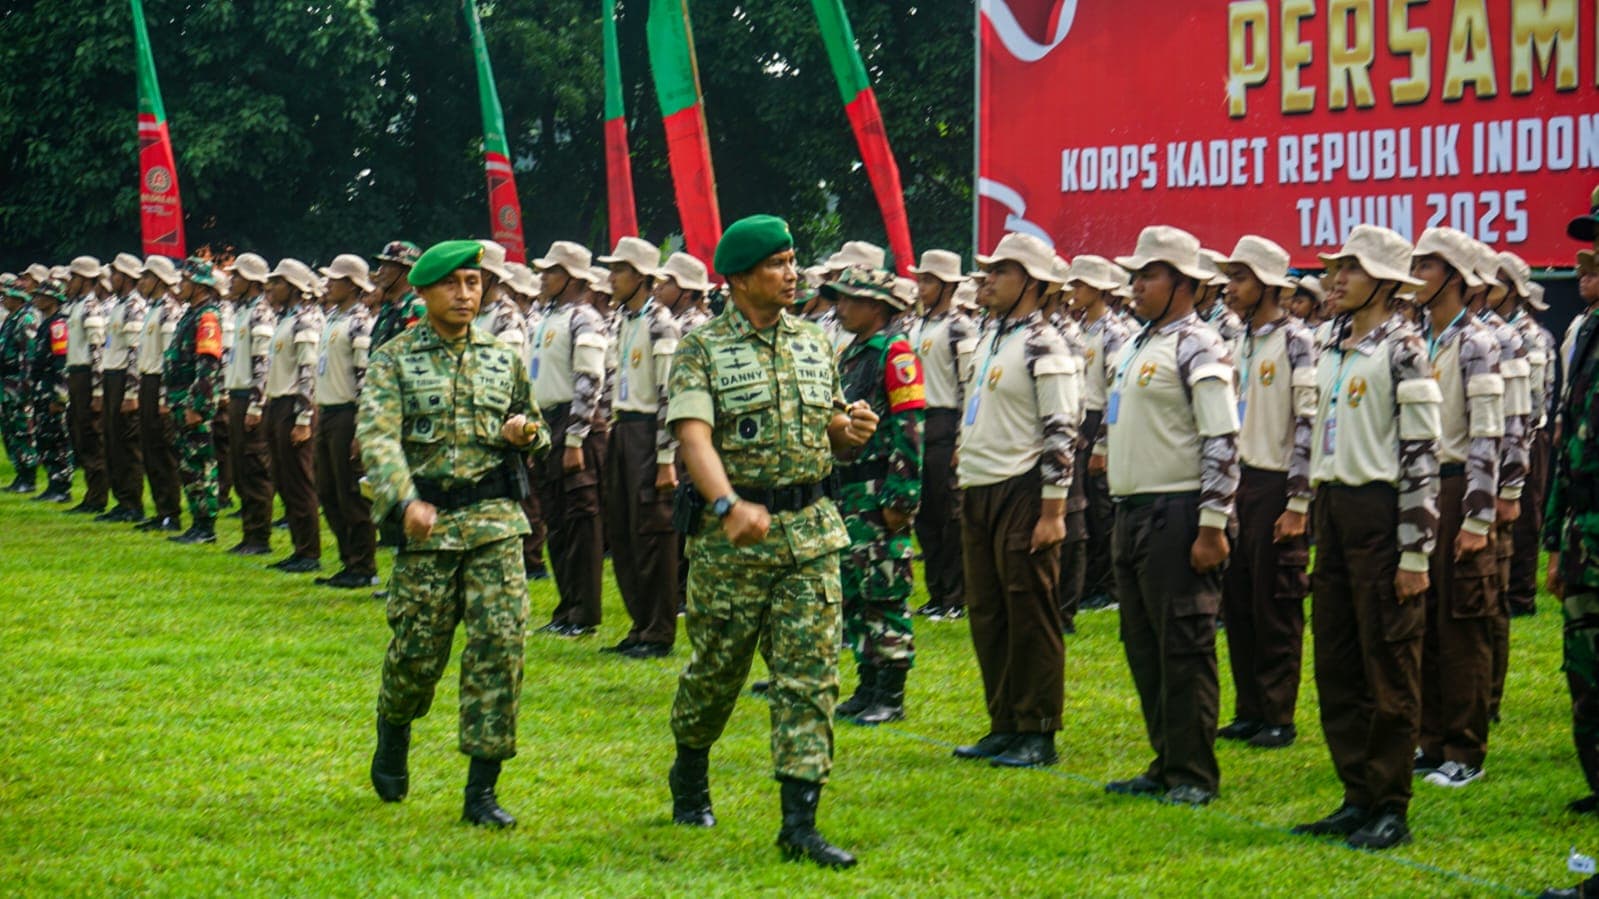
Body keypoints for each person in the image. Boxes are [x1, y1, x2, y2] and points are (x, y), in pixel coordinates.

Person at [664, 214, 878, 869]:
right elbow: (693, 437)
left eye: (792, 261)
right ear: (738, 278)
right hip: (732, 543)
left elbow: (829, 425)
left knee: (810, 677)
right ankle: (690, 767)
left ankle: (799, 822)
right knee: (717, 672)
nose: (792, 274)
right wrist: (727, 504)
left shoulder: (816, 341)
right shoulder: (700, 349)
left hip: (810, 533)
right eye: (776, 264)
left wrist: (848, 430)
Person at [359, 239, 550, 829]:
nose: (466, 294)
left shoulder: (501, 357)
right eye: (452, 283)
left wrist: (525, 433)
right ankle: (394, 727)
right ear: (422, 291)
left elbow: (536, 425)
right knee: (418, 654)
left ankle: (481, 791)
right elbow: (377, 437)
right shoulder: (393, 360)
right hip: (429, 526)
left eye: (474, 282)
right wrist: (405, 499)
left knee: (501, 647)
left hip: (494, 523)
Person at [1291, 224, 1440, 850]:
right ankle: (1356, 794)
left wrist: (1415, 551)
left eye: (1350, 269)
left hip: (1381, 515)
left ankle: (1390, 805)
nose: (1335, 279)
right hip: (1334, 512)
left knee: (1390, 664)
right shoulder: (1330, 345)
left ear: (1382, 282)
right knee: (1337, 662)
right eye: (1335, 268)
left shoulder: (1404, 349)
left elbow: (1422, 455)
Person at [1101, 226, 1240, 806]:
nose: (1136, 285)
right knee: (1144, 645)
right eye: (1135, 275)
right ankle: (1166, 760)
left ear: (1183, 283)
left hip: (1177, 512)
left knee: (1183, 647)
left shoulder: (1198, 344)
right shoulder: (1138, 343)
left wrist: (1213, 523)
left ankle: (1193, 774)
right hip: (1132, 512)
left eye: (1149, 275)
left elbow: (1222, 438)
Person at [951, 232, 1080, 770]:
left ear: (1032, 283)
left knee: (1030, 609)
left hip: (1023, 487)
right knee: (987, 610)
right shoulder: (988, 335)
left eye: (1001, 271)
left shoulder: (1045, 343)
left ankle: (1037, 729)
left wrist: (1053, 511)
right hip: (980, 484)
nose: (988, 279)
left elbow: (1061, 430)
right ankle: (1003, 721)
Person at [1408, 227, 1503, 791]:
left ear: (1456, 277)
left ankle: (1465, 750)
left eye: (1427, 265)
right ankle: (1431, 742)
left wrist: (1478, 516)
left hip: (1457, 484)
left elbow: (1488, 434)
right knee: (1423, 619)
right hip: (1419, 488)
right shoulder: (1415, 338)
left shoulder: (1477, 342)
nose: (1415, 275)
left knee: (1463, 622)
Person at [1215, 235, 1314, 751]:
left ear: (1269, 285)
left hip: (1276, 484)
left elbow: (1307, 424)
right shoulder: (1236, 339)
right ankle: (1249, 708)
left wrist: (1298, 502)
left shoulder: (1297, 340)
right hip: (1238, 482)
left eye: (1240, 278)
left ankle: (1278, 713)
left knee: (1275, 600)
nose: (1229, 288)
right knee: (1238, 600)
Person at [828, 266, 925, 724]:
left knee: (885, 588)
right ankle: (867, 685)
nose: (840, 306)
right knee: (855, 589)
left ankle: (891, 694)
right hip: (851, 491)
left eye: (850, 299)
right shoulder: (851, 354)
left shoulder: (895, 352)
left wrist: (901, 496)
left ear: (877, 306)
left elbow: (910, 427)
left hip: (880, 490)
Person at [1542, 185, 1599, 899]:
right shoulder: (1586, 333)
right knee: (1585, 685)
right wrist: (1557, 542)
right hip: (1586, 540)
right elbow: (1567, 450)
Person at [597, 236, 683, 659]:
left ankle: (659, 630)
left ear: (642, 277)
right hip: (623, 430)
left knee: (653, 533)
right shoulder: (623, 320)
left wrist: (666, 458)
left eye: (620, 270)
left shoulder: (660, 324)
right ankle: (639, 624)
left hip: (650, 434)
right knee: (623, 531)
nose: (612, 278)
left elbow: (670, 395)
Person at [529, 241, 607, 637]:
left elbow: (589, 380)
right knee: (556, 521)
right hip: (547, 422)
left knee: (580, 521)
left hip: (574, 423)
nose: (543, 278)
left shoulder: (584, 318)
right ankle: (566, 607)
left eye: (552, 272)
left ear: (573, 278)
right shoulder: (548, 316)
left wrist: (576, 437)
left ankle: (584, 612)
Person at [905, 249, 977, 620]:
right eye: (920, 280)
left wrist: (962, 440)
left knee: (950, 515)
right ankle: (935, 593)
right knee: (925, 515)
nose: (921, 287)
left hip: (946, 422)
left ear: (948, 285)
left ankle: (955, 597)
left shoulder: (960, 327)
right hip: (918, 422)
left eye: (929, 281)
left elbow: (968, 385)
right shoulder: (917, 326)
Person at [1065, 255, 1133, 613]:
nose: (1073, 291)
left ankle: (1109, 586)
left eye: (1080, 284)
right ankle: (1090, 583)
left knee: (1102, 508)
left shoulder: (1114, 332)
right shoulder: (1079, 328)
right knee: (1085, 506)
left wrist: (1103, 443)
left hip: (1101, 420)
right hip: (1081, 418)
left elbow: (1115, 390)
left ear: (1097, 289)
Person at [313, 254, 378, 588]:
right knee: (327, 490)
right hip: (327, 412)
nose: (328, 285)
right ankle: (348, 559)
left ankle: (363, 565)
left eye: (335, 280)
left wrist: (362, 427)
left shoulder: (360, 323)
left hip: (347, 414)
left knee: (351, 493)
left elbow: (365, 378)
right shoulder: (333, 318)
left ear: (352, 285)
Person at [263, 258, 325, 573]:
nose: (271, 288)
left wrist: (303, 418)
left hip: (294, 406)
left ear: (293, 287)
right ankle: (299, 548)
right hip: (278, 403)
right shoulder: (285, 319)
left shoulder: (305, 321)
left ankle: (309, 552)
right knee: (284, 480)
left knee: (299, 482)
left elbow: (308, 372)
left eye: (277, 283)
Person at [164, 258, 228, 545]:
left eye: (186, 281)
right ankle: (197, 521)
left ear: (200, 286)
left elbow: (207, 365)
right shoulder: (192, 314)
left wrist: (198, 405)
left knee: (200, 462)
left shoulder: (208, 318)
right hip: (180, 397)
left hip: (192, 400)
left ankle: (206, 525)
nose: (181, 285)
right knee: (188, 463)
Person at [222, 252, 277, 556]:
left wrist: (256, 405)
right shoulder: (243, 311)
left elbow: (262, 364)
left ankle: (259, 537)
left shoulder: (260, 313)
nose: (232, 280)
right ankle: (249, 532)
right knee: (241, 467)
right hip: (237, 395)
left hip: (251, 399)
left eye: (237, 276)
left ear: (252, 281)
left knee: (255, 468)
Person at [133, 257, 185, 533]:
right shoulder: (152, 309)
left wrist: (165, 397)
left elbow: (169, 359)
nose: (141, 282)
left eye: (146, 277)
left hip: (158, 384)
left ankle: (171, 513)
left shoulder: (168, 311)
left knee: (163, 452)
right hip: (146, 381)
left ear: (159, 280)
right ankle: (160, 509)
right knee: (150, 450)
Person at [97, 253, 148, 523]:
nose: (111, 278)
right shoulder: (120, 304)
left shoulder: (134, 307)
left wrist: (131, 392)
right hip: (111, 376)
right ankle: (121, 500)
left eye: (116, 274)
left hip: (123, 380)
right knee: (113, 441)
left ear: (126, 277)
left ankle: (132, 503)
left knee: (126, 444)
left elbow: (134, 353)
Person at [63, 256, 109, 513]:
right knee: (80, 434)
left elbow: (97, 350)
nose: (70, 282)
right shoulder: (77, 305)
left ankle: (97, 496)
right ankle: (92, 494)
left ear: (85, 279)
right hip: (76, 374)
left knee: (91, 436)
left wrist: (98, 389)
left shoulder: (90, 307)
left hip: (86, 376)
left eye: (74, 277)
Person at [27, 281, 73, 502]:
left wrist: (59, 397)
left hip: (52, 389)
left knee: (57, 439)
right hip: (42, 388)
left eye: (41, 296)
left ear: (53, 299)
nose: (36, 299)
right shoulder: (46, 324)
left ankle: (62, 486)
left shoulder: (58, 326)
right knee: (44, 437)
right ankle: (53, 483)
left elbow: (60, 362)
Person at [0, 282, 40, 492]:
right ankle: (20, 473)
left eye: (7, 296)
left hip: (18, 383)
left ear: (17, 298)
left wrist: (26, 387)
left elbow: (28, 356)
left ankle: (28, 477)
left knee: (23, 430)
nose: (3, 299)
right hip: (6, 383)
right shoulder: (11, 319)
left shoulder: (26, 319)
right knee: (9, 430)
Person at [369, 241, 426, 349]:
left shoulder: (417, 308)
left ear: (406, 270)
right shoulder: (387, 308)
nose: (380, 271)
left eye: (387, 266)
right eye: (381, 265)